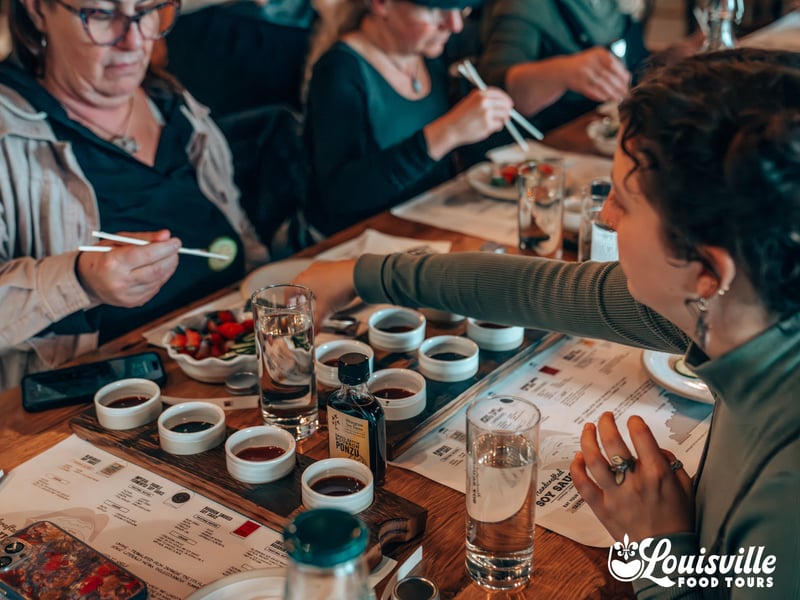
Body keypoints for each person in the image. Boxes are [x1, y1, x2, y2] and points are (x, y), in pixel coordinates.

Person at [295, 49, 800, 597]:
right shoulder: (740, 307)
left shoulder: (786, 494)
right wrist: (361, 274)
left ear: (707, 272)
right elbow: (541, 289)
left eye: (624, 203)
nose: (606, 218)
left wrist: (660, 552)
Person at [0, 0, 269, 389]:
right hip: (101, 403)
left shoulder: (175, 103)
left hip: (232, 375)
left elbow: (242, 234)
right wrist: (80, 280)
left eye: (147, 10)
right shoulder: (9, 133)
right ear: (38, 9)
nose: (135, 41)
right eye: (101, 14)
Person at [303, 0, 514, 237]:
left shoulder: (430, 54)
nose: (455, 25)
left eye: (460, 9)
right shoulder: (339, 72)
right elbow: (340, 195)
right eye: (434, 10)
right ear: (381, 4)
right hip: (368, 240)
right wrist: (447, 132)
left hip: (432, 224)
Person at [477, 0, 701, 132]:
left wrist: (671, 57)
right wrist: (564, 72)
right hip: (546, 152)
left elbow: (630, 67)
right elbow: (494, 87)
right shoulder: (525, 7)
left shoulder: (607, 5)